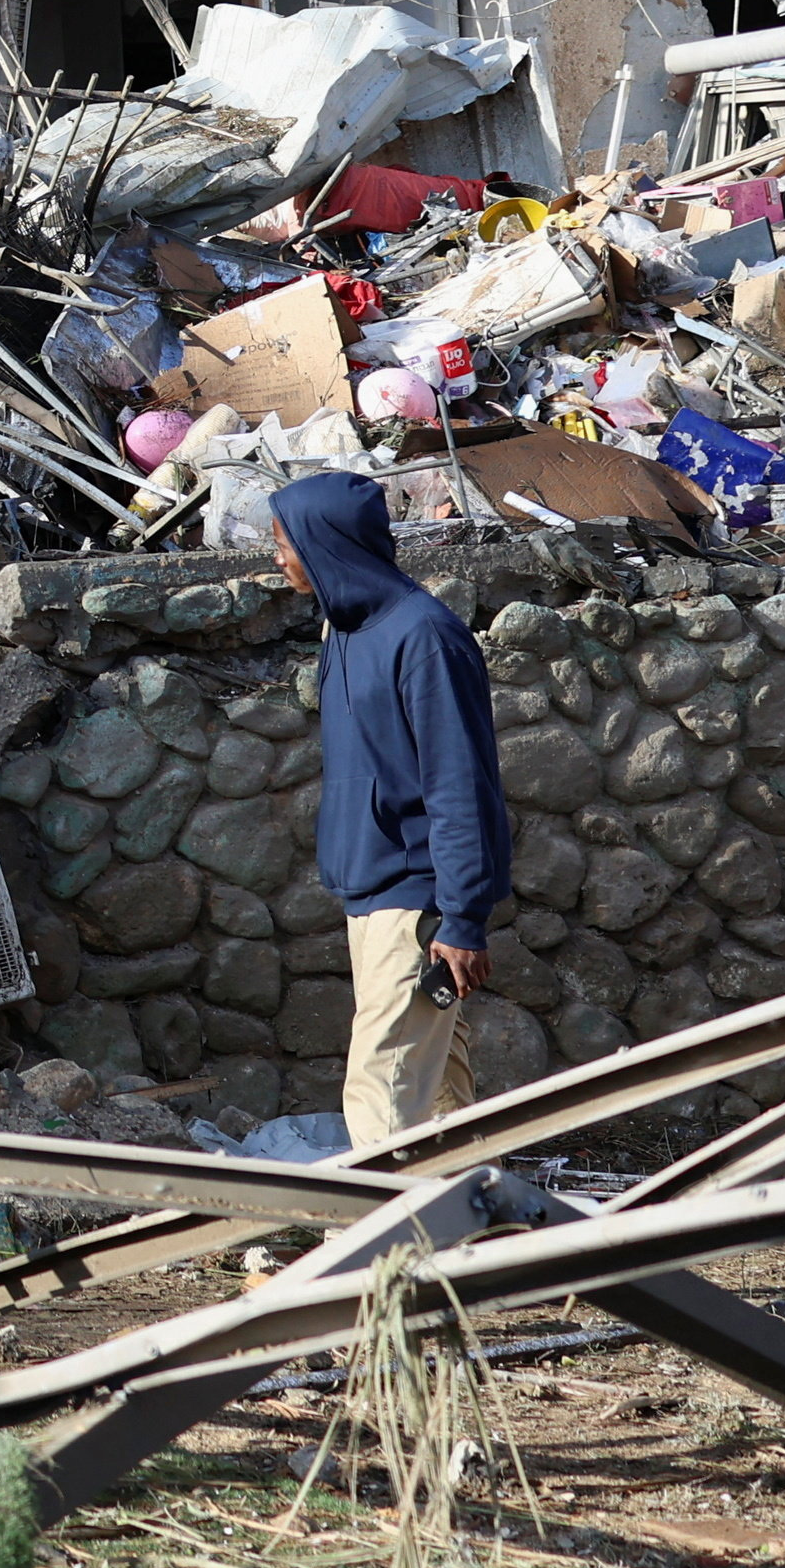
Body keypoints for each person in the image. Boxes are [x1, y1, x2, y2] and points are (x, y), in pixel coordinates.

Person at [265, 473, 514, 1149]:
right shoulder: (343, 626)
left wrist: (462, 916)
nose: (276, 555)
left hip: (416, 901)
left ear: (326, 544)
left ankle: (380, 1248)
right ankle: (467, 1230)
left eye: (284, 541)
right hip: (372, 895)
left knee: (382, 1096)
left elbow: (459, 785)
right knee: (437, 1095)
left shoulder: (425, 638)